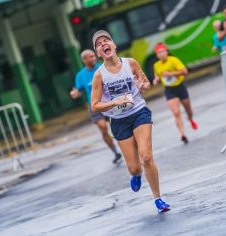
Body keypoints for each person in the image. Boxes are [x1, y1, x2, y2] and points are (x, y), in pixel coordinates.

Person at [90, 30, 170, 213]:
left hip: (139, 112)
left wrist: (143, 86)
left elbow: (146, 83)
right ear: (98, 53)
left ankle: (158, 199)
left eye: (106, 40)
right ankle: (136, 175)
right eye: (99, 44)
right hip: (118, 121)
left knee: (147, 157)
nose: (103, 44)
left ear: (114, 45)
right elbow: (94, 105)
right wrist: (114, 102)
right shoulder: (99, 76)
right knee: (134, 168)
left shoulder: (130, 63)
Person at [70, 49, 122, 164]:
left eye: (94, 56)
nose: (94, 58)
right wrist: (75, 94)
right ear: (84, 60)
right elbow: (78, 90)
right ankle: (115, 152)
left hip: (109, 102)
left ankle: (125, 146)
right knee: (103, 128)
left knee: (116, 126)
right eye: (91, 57)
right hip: (94, 105)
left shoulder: (102, 67)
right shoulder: (80, 75)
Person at [153, 43, 198, 144]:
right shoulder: (156, 65)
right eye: (159, 52)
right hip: (169, 90)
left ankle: (190, 119)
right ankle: (183, 134)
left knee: (189, 110)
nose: (161, 54)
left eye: (163, 51)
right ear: (157, 55)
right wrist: (156, 80)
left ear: (166, 52)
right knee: (176, 113)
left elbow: (184, 71)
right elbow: (158, 76)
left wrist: (171, 74)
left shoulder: (173, 60)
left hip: (180, 87)